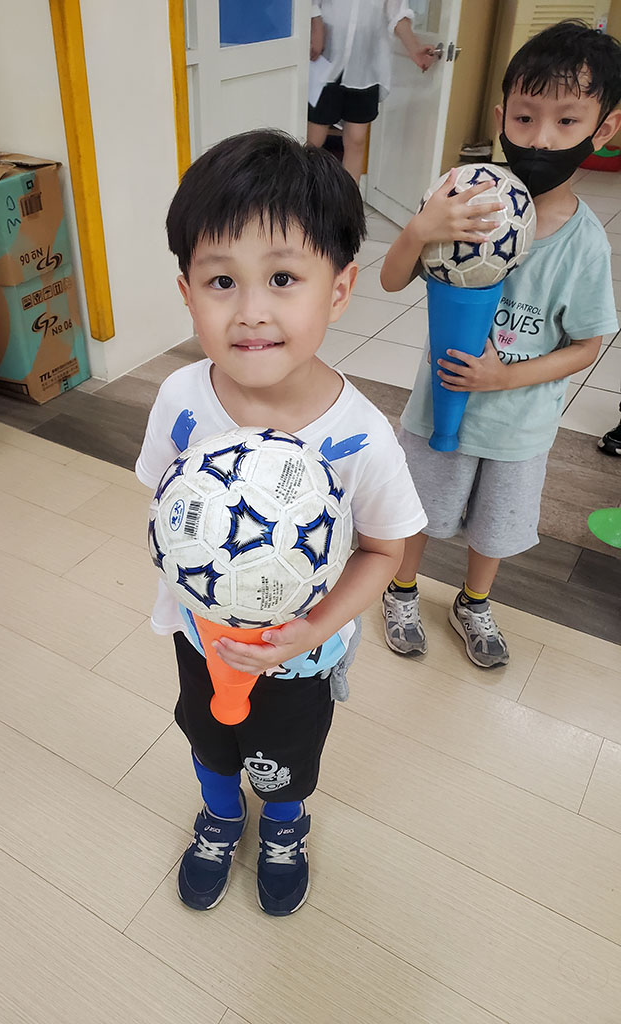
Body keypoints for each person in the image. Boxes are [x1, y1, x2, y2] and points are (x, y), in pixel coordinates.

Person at [136, 130, 427, 915]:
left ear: (339, 289)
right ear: (187, 291)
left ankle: (284, 825)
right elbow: (162, 505)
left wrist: (313, 628)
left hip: (302, 657)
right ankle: (219, 815)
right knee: (208, 739)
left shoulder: (360, 436)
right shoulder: (180, 400)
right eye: (221, 280)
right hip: (199, 635)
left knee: (285, 760)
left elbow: (384, 548)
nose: (252, 311)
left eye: (284, 277)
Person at [379, 20, 621, 668]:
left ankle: (474, 602)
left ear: (604, 129)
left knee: (495, 526)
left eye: (566, 122)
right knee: (418, 511)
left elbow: (587, 346)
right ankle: (401, 589)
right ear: (500, 118)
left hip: (519, 426)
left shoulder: (585, 245)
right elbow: (391, 279)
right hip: (436, 410)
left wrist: (503, 378)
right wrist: (420, 228)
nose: (540, 138)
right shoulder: (461, 203)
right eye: (525, 117)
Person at [307, 0, 437, 181]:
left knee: (357, 139)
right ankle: (301, 195)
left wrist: (415, 49)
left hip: (366, 66)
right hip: (325, 60)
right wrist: (316, 26)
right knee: (312, 142)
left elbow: (397, 13)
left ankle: (349, 197)